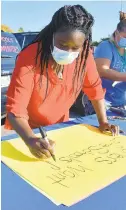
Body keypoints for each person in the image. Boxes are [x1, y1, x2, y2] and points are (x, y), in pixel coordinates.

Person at [5, 5, 119, 159]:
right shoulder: (30, 56)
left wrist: (103, 122)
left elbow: (95, 90)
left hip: (60, 127)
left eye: (75, 48)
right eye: (62, 44)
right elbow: (15, 110)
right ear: (52, 35)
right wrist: (31, 140)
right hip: (27, 130)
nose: (68, 52)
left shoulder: (84, 55)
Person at [94, 19, 126, 109]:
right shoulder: (105, 46)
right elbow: (102, 70)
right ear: (117, 32)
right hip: (102, 102)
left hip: (119, 101)